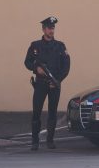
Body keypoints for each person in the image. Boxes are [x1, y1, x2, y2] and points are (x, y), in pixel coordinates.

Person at [24, 16, 70, 150]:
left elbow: (66, 67)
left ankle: (50, 140)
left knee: (52, 113)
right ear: (43, 29)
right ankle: (35, 141)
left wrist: (58, 80)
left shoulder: (60, 46)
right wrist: (35, 68)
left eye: (53, 28)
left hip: (54, 84)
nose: (51, 30)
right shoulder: (35, 45)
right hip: (40, 84)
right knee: (36, 112)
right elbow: (27, 62)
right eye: (49, 28)